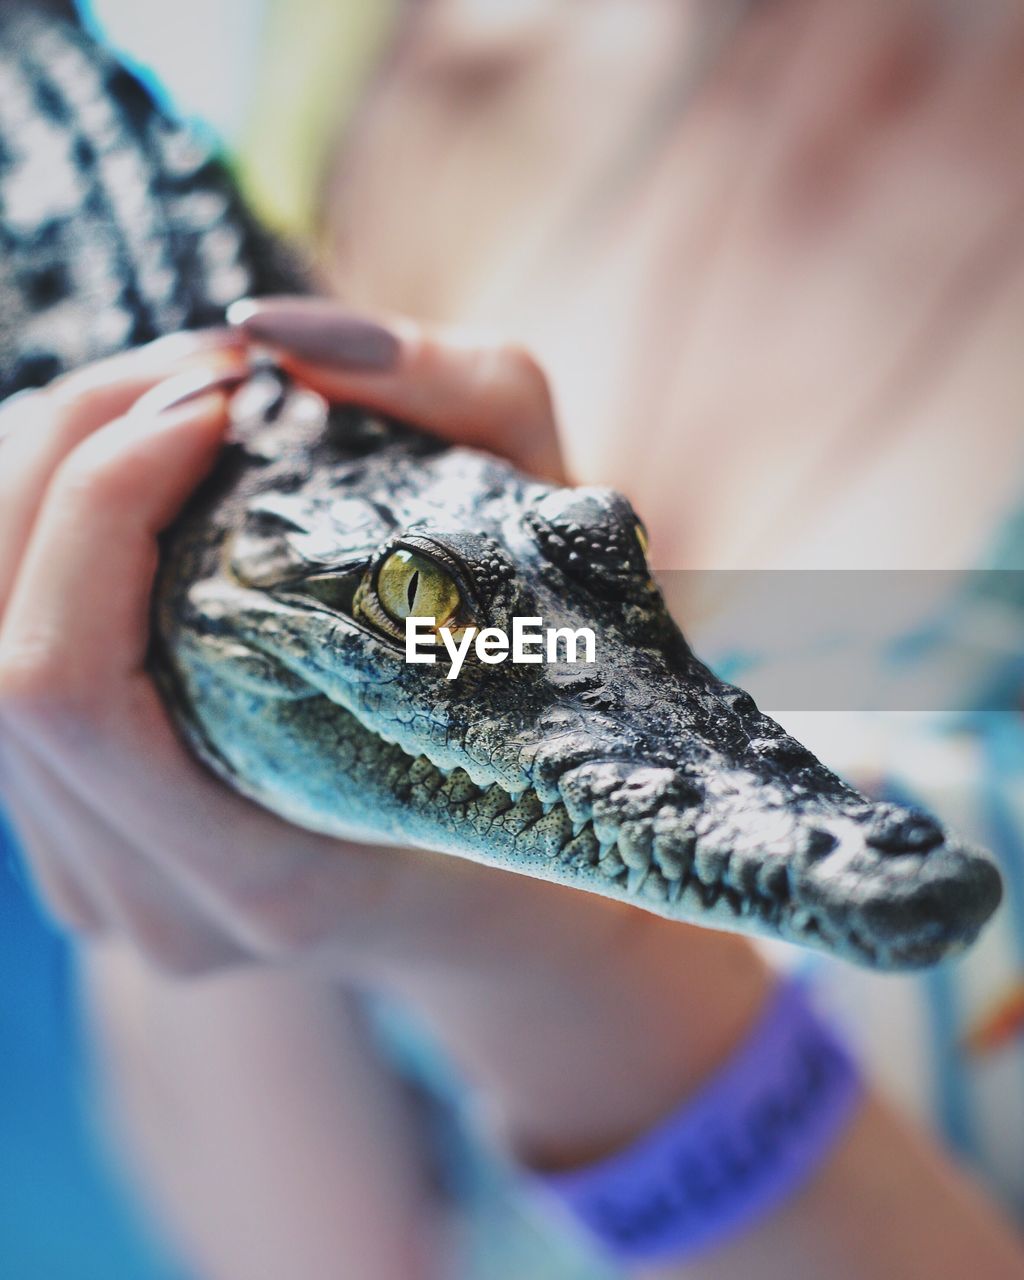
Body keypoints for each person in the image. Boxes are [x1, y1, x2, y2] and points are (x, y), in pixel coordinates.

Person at [2, 1, 1023, 1276]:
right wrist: (189, 807)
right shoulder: (376, 46)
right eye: (429, 619)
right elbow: (313, 1253)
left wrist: (566, 967)